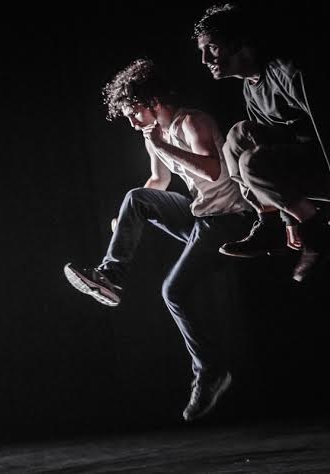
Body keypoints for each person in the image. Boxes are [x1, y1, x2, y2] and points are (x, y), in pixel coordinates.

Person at [64, 59, 252, 421]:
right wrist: (127, 219)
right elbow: (158, 182)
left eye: (134, 113)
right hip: (200, 218)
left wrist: (164, 146)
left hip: (230, 221)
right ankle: (110, 277)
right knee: (136, 198)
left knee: (173, 291)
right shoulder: (154, 136)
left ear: (152, 101)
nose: (133, 123)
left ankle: (210, 371)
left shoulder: (192, 121)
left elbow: (213, 170)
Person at [194, 3, 330, 281]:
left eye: (213, 48)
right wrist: (287, 218)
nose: (205, 59)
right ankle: (269, 222)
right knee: (238, 136)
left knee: (252, 162)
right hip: (300, 164)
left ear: (240, 44)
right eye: (202, 51)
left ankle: (318, 233)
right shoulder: (251, 88)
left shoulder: (289, 72)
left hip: (323, 166)